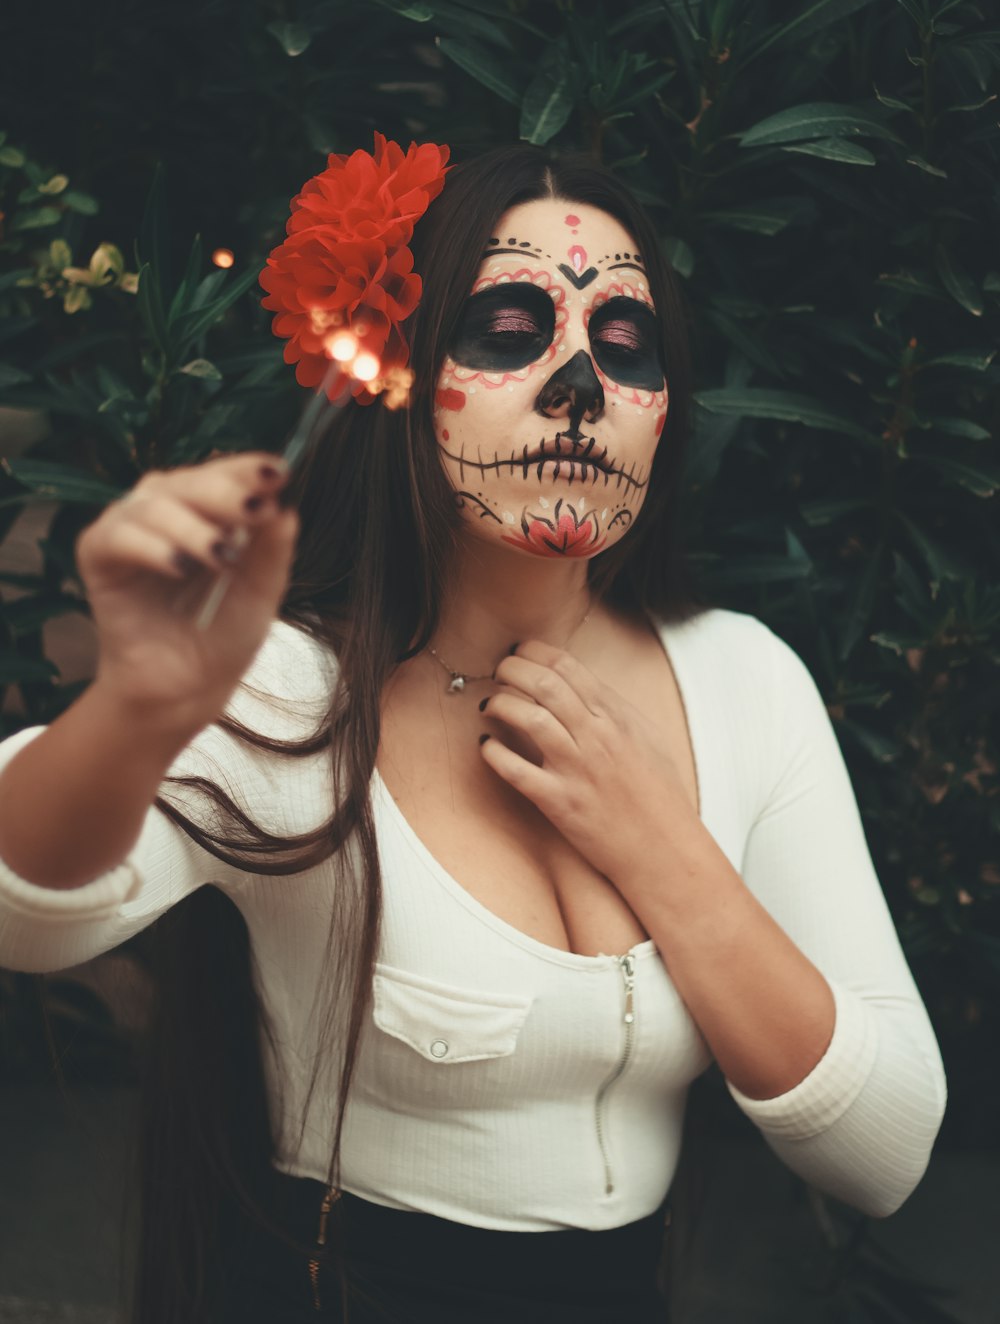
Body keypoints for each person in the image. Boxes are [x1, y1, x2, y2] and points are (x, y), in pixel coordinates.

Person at [0, 144, 946, 1324]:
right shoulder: (291, 687)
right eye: (507, 327)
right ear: (400, 373)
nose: (577, 389)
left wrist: (663, 846)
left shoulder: (744, 680)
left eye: (622, 343)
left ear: (666, 410)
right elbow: (19, 914)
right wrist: (138, 706)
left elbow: (885, 1150)